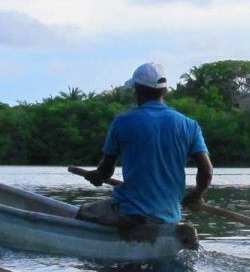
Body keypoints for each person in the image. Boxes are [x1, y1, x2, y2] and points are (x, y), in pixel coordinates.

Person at [76, 62, 213, 230]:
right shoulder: (190, 125)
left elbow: (106, 171)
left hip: (131, 212)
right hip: (170, 216)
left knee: (83, 213)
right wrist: (197, 195)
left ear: (137, 89)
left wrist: (97, 176)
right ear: (165, 90)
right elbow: (207, 170)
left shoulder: (122, 122)